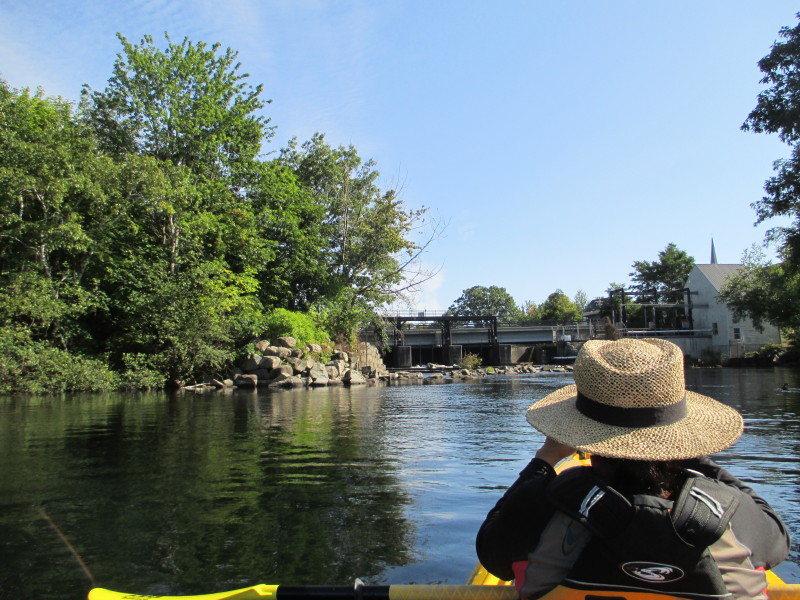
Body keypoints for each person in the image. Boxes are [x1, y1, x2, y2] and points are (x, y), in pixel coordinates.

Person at [476, 338, 790, 600]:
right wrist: (695, 456)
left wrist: (545, 459)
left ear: (579, 433)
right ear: (683, 436)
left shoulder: (541, 503)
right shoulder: (733, 510)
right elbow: (779, 542)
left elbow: (492, 555)